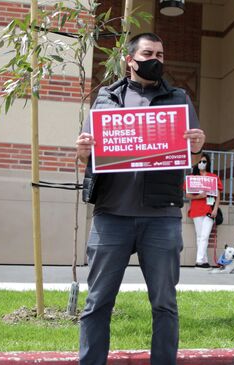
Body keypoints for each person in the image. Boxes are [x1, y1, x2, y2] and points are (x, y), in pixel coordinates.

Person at [75, 32, 205, 365]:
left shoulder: (178, 98)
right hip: (110, 216)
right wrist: (82, 152)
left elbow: (188, 157)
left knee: (164, 303)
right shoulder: (105, 98)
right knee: (98, 302)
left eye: (161, 55)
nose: (156, 60)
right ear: (129, 60)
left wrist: (197, 145)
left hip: (160, 217)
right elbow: (89, 160)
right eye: (149, 53)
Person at [184, 153, 222, 269]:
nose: (202, 163)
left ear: (208, 163)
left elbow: (218, 195)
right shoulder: (192, 177)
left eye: (204, 161)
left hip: (209, 209)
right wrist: (199, 196)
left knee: (204, 235)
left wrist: (215, 208)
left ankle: (199, 261)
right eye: (200, 161)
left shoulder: (213, 177)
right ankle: (204, 261)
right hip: (196, 209)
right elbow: (187, 195)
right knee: (200, 236)